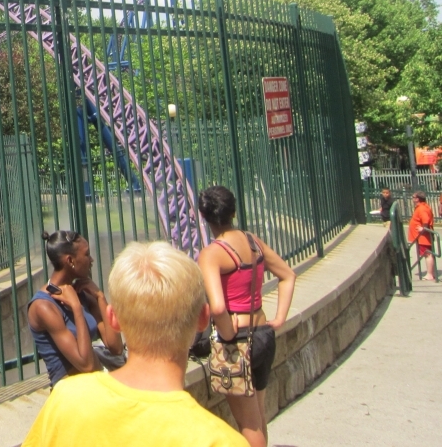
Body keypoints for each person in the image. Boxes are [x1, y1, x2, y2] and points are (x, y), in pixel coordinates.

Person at [23, 241, 247, 447]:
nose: (90, 259)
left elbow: (113, 348)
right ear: (203, 318)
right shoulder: (221, 441)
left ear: (114, 318)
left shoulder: (63, 403)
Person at [197, 186, 295, 447]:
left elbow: (217, 308)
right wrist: (280, 317)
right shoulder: (253, 242)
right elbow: (288, 275)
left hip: (238, 339)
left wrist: (228, 337)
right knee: (259, 417)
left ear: (203, 216)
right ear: (234, 211)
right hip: (263, 333)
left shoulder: (212, 254)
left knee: (248, 425)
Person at [28, 230, 124, 388]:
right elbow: (85, 365)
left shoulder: (83, 292)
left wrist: (100, 297)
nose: (91, 260)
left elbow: (116, 348)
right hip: (70, 391)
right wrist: (77, 309)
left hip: (95, 382)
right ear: (70, 260)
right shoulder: (43, 306)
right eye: (87, 254)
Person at [408, 191, 436, 281]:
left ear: (417, 199)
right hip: (421, 236)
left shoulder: (422, 208)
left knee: (427, 254)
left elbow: (426, 219)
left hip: (423, 237)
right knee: (428, 254)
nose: (412, 199)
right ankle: (431, 272)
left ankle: (430, 274)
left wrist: (423, 228)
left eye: (413, 197)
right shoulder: (421, 207)